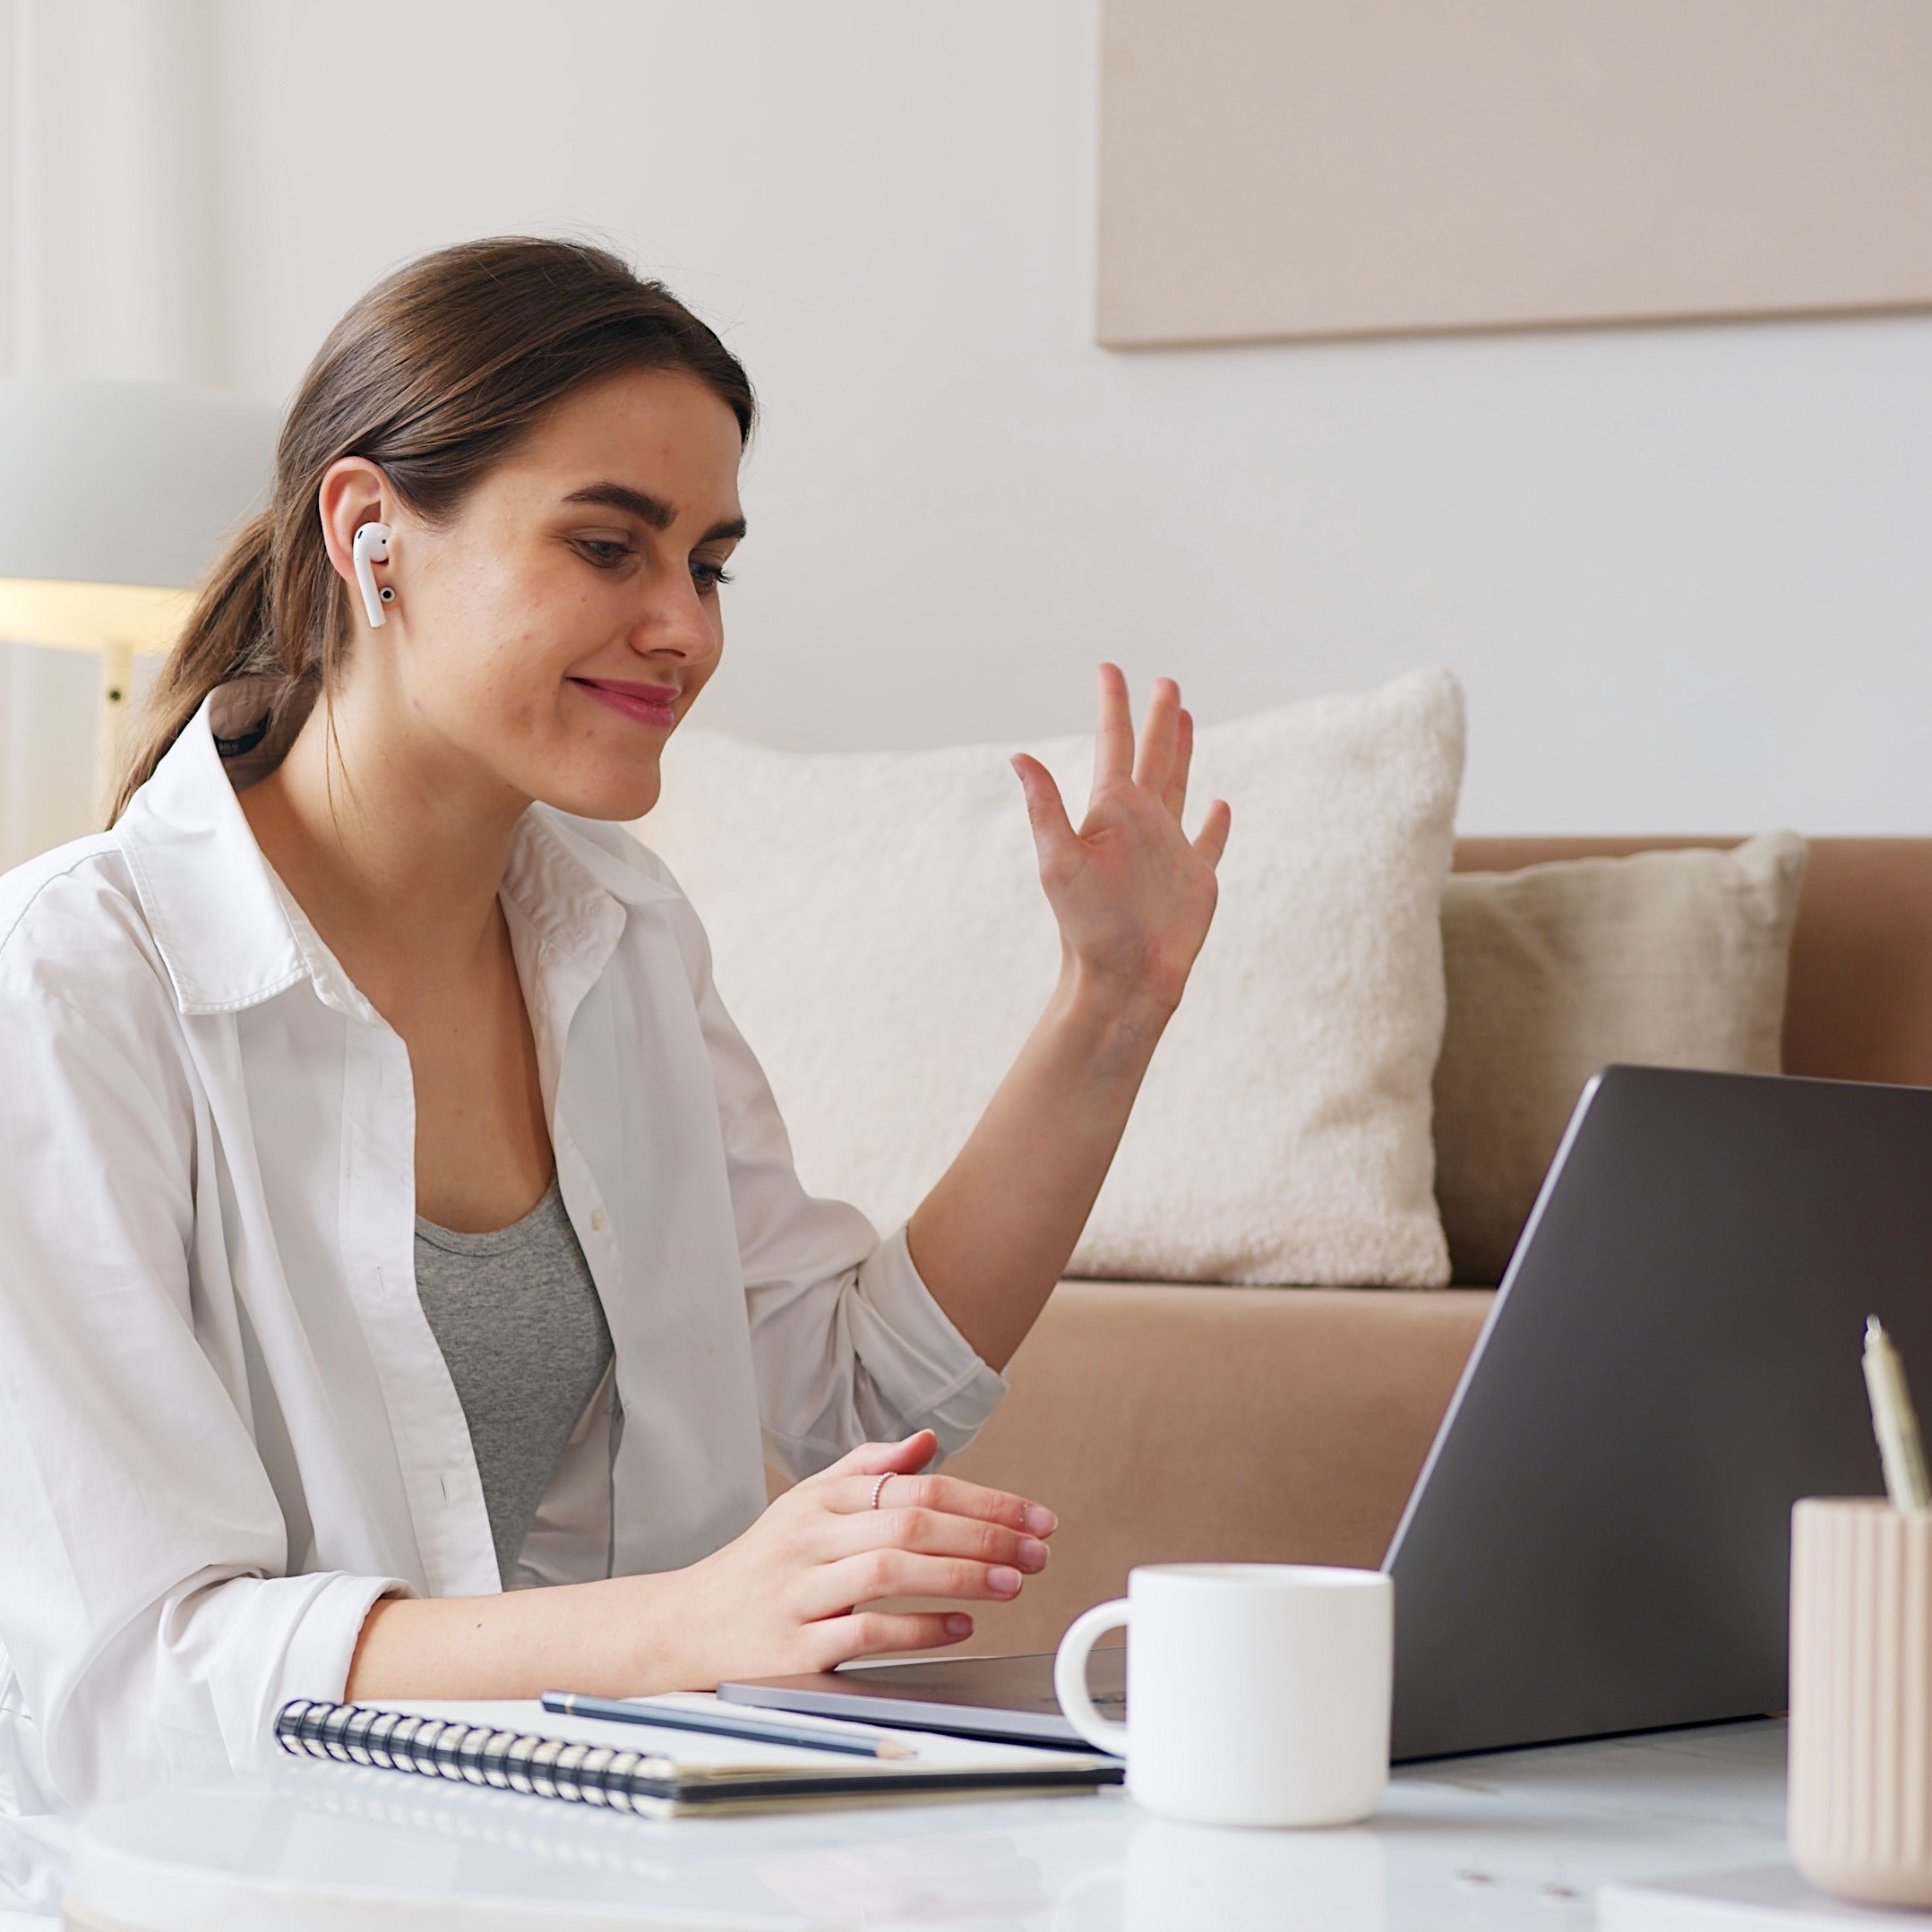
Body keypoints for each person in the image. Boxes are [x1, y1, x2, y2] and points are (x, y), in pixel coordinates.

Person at [0, 237, 1230, 1816]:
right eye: (608, 547)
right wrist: (689, 1624)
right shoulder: (72, 986)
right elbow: (140, 1674)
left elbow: (856, 1389)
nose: (685, 630)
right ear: (371, 536)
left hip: (607, 1842)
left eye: (706, 564)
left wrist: (1109, 1011)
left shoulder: (622, 928)